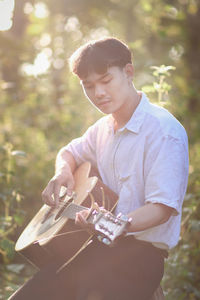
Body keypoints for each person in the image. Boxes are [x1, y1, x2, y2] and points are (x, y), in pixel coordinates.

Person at [9, 37, 189, 300]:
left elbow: (162, 208)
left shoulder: (163, 131)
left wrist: (119, 224)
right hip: (95, 248)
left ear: (129, 72)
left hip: (139, 259)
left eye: (106, 81)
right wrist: (63, 172)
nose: (99, 93)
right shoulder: (102, 129)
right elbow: (69, 152)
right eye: (89, 86)